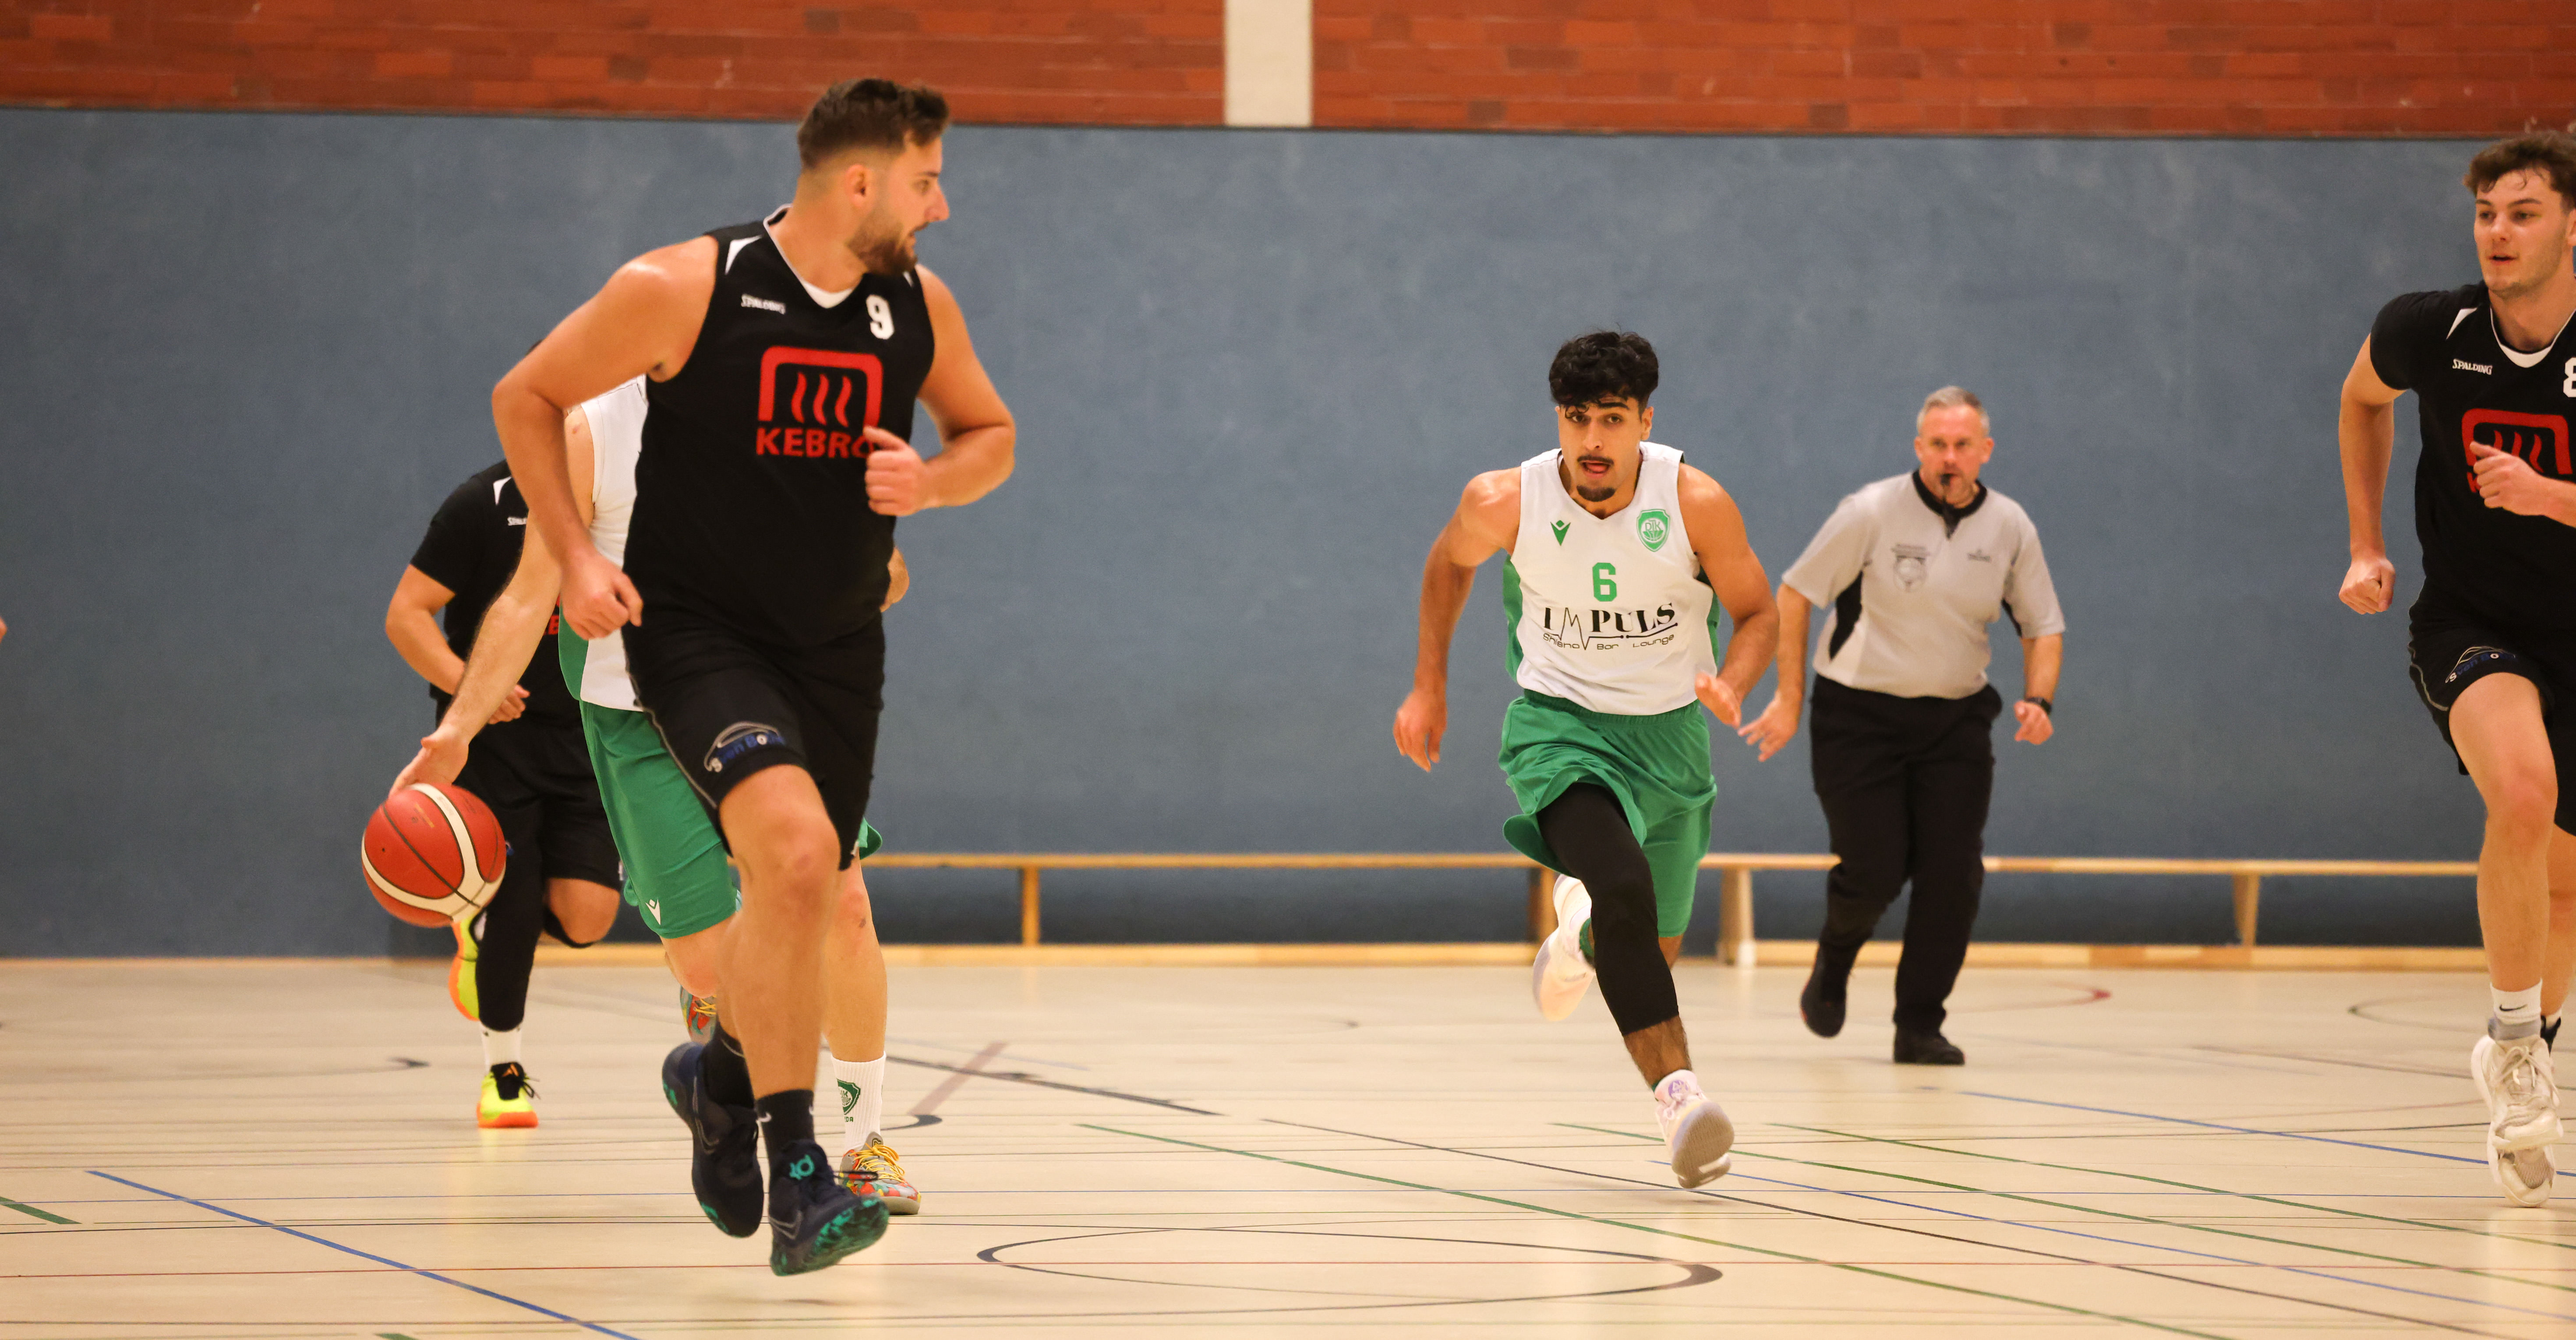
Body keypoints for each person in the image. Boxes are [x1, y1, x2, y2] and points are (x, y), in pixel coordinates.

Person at [488, 78, 1014, 1275]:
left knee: (804, 890)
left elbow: (991, 435)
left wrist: (933, 482)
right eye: (927, 181)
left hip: (835, 647)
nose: (942, 206)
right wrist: (576, 554)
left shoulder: (916, 305)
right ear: (861, 183)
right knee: (796, 855)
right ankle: (802, 1177)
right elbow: (526, 394)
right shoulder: (684, 286)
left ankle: (718, 1081)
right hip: (697, 637)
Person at [393, 379, 921, 1216]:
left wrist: (855, 560)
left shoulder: (790, 419)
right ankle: (714, 1044)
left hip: (772, 697)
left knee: (842, 905)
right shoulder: (594, 430)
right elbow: (527, 596)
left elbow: (886, 574)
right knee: (712, 963)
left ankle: (865, 1144)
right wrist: (457, 731)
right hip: (637, 713)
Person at [1394, 331, 1778, 1188]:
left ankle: (1578, 937)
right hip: (1559, 728)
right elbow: (1447, 564)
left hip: (1670, 738)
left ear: (1645, 420)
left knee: (1647, 944)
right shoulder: (1504, 499)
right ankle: (1680, 1102)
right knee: (1623, 886)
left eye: (1612, 418)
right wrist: (1428, 686)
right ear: (1557, 420)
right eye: (1576, 419)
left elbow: (1759, 613)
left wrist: (1733, 683)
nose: (1593, 439)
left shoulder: (1697, 502)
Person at [2337, 131, 2576, 1207]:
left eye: (2522, 212)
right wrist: (2366, 544)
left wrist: (2549, 496)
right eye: (2485, 213)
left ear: (2570, 225)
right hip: (2471, 626)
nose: (2497, 232)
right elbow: (2361, 399)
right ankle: (2519, 1051)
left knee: (2564, 883)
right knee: (2521, 793)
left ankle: (2521, 1042)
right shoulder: (2428, 330)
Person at [1739, 387, 2064, 1068]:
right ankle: (1833, 961)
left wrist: (2040, 699)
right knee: (1876, 867)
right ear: (1919, 448)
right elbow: (1794, 593)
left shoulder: (2009, 526)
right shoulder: (1869, 512)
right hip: (1857, 717)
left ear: (1984, 451)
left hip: (1955, 720)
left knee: (1953, 876)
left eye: (1962, 445)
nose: (1949, 458)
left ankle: (1918, 1025)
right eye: (1937, 445)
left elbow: (2042, 626)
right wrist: (1788, 698)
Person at [384, 462, 623, 1127]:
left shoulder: (624, 494)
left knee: (587, 918)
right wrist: (469, 688)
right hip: (493, 742)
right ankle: (504, 1074)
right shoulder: (481, 503)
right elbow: (406, 614)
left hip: (585, 734)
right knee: (514, 905)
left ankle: (477, 920)